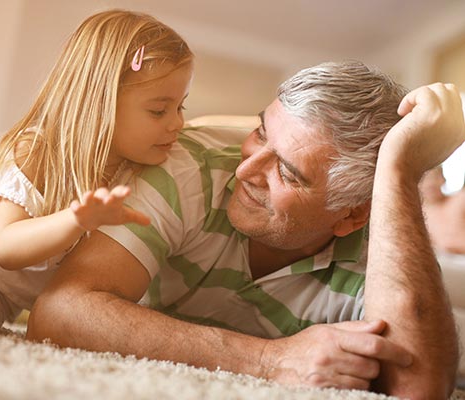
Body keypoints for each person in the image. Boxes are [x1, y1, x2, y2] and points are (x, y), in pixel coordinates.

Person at [26, 61, 464, 398]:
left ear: (352, 215)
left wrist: (398, 171)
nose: (247, 170)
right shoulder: (190, 167)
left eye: (289, 173)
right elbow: (59, 312)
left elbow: (418, 387)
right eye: (260, 132)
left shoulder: (380, 244)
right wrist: (269, 360)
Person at [0, 10, 194, 332]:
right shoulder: (38, 150)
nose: (178, 123)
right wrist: (76, 220)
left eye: (181, 106)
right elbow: (6, 248)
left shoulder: (135, 177)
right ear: (100, 104)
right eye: (159, 110)